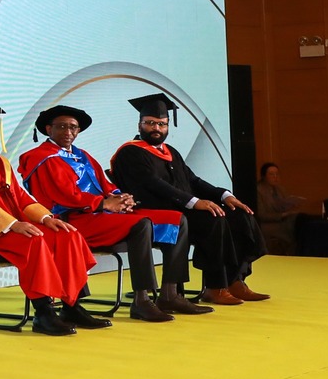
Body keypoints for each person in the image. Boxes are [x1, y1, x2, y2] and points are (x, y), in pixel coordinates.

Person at [17, 105, 198, 323]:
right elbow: (63, 196)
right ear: (49, 129)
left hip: (102, 215)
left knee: (176, 219)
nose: (68, 132)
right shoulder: (41, 157)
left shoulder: (81, 155)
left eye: (73, 127)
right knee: (141, 224)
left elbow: (105, 185)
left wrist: (121, 198)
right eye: (62, 127)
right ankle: (142, 300)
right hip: (72, 219)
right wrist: (103, 204)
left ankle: (170, 294)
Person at [0, 97, 101, 336]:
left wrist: (46, 218)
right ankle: (43, 312)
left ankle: (71, 305)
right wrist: (13, 224)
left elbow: (21, 198)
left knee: (67, 235)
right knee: (35, 241)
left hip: (12, 227)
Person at [109, 93, 266, 306]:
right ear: (140, 125)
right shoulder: (130, 153)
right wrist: (194, 202)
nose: (156, 128)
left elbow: (192, 180)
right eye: (150, 123)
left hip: (182, 209)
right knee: (213, 219)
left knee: (239, 215)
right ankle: (215, 287)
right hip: (157, 212)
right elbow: (153, 184)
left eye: (162, 124)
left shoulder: (170, 152)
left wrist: (224, 195)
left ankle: (235, 280)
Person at [255, 162, 310, 255]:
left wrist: (292, 206)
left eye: (277, 174)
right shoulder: (258, 191)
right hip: (268, 224)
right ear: (264, 176)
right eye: (271, 174)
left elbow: (285, 205)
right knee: (293, 229)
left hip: (283, 220)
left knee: (301, 219)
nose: (275, 177)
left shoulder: (280, 189)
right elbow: (261, 215)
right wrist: (282, 215)